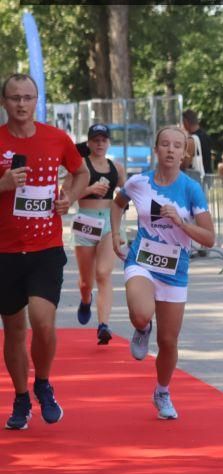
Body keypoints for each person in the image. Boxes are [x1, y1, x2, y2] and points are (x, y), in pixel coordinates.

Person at [1, 73, 88, 430]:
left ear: (37, 101)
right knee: (14, 330)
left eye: (28, 97)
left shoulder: (55, 138)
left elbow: (81, 173)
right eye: (14, 97)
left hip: (45, 248)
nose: (21, 104)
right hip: (5, 252)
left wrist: (70, 196)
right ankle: (21, 398)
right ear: (4, 102)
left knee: (42, 321)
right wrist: (3, 184)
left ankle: (43, 382)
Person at [110, 126, 214, 419]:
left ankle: (162, 391)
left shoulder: (191, 189)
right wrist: (116, 233)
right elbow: (118, 204)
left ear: (184, 154)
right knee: (141, 314)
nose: (170, 149)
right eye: (165, 144)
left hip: (174, 270)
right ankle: (142, 328)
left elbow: (209, 238)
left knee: (168, 341)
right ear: (156, 149)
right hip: (141, 260)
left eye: (177, 146)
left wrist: (181, 223)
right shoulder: (139, 182)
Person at [72, 123, 127, 345]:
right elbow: (66, 194)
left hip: (109, 223)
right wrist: (89, 189)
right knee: (86, 281)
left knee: (103, 273)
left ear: (109, 142)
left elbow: (127, 193)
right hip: (86, 220)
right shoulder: (80, 166)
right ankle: (86, 299)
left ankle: (103, 325)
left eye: (104, 140)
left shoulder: (117, 168)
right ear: (89, 142)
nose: (100, 144)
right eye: (96, 140)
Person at [182, 109, 212, 176]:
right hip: (208, 175)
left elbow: (185, 164)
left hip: (196, 176)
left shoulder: (191, 140)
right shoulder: (206, 136)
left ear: (186, 122)